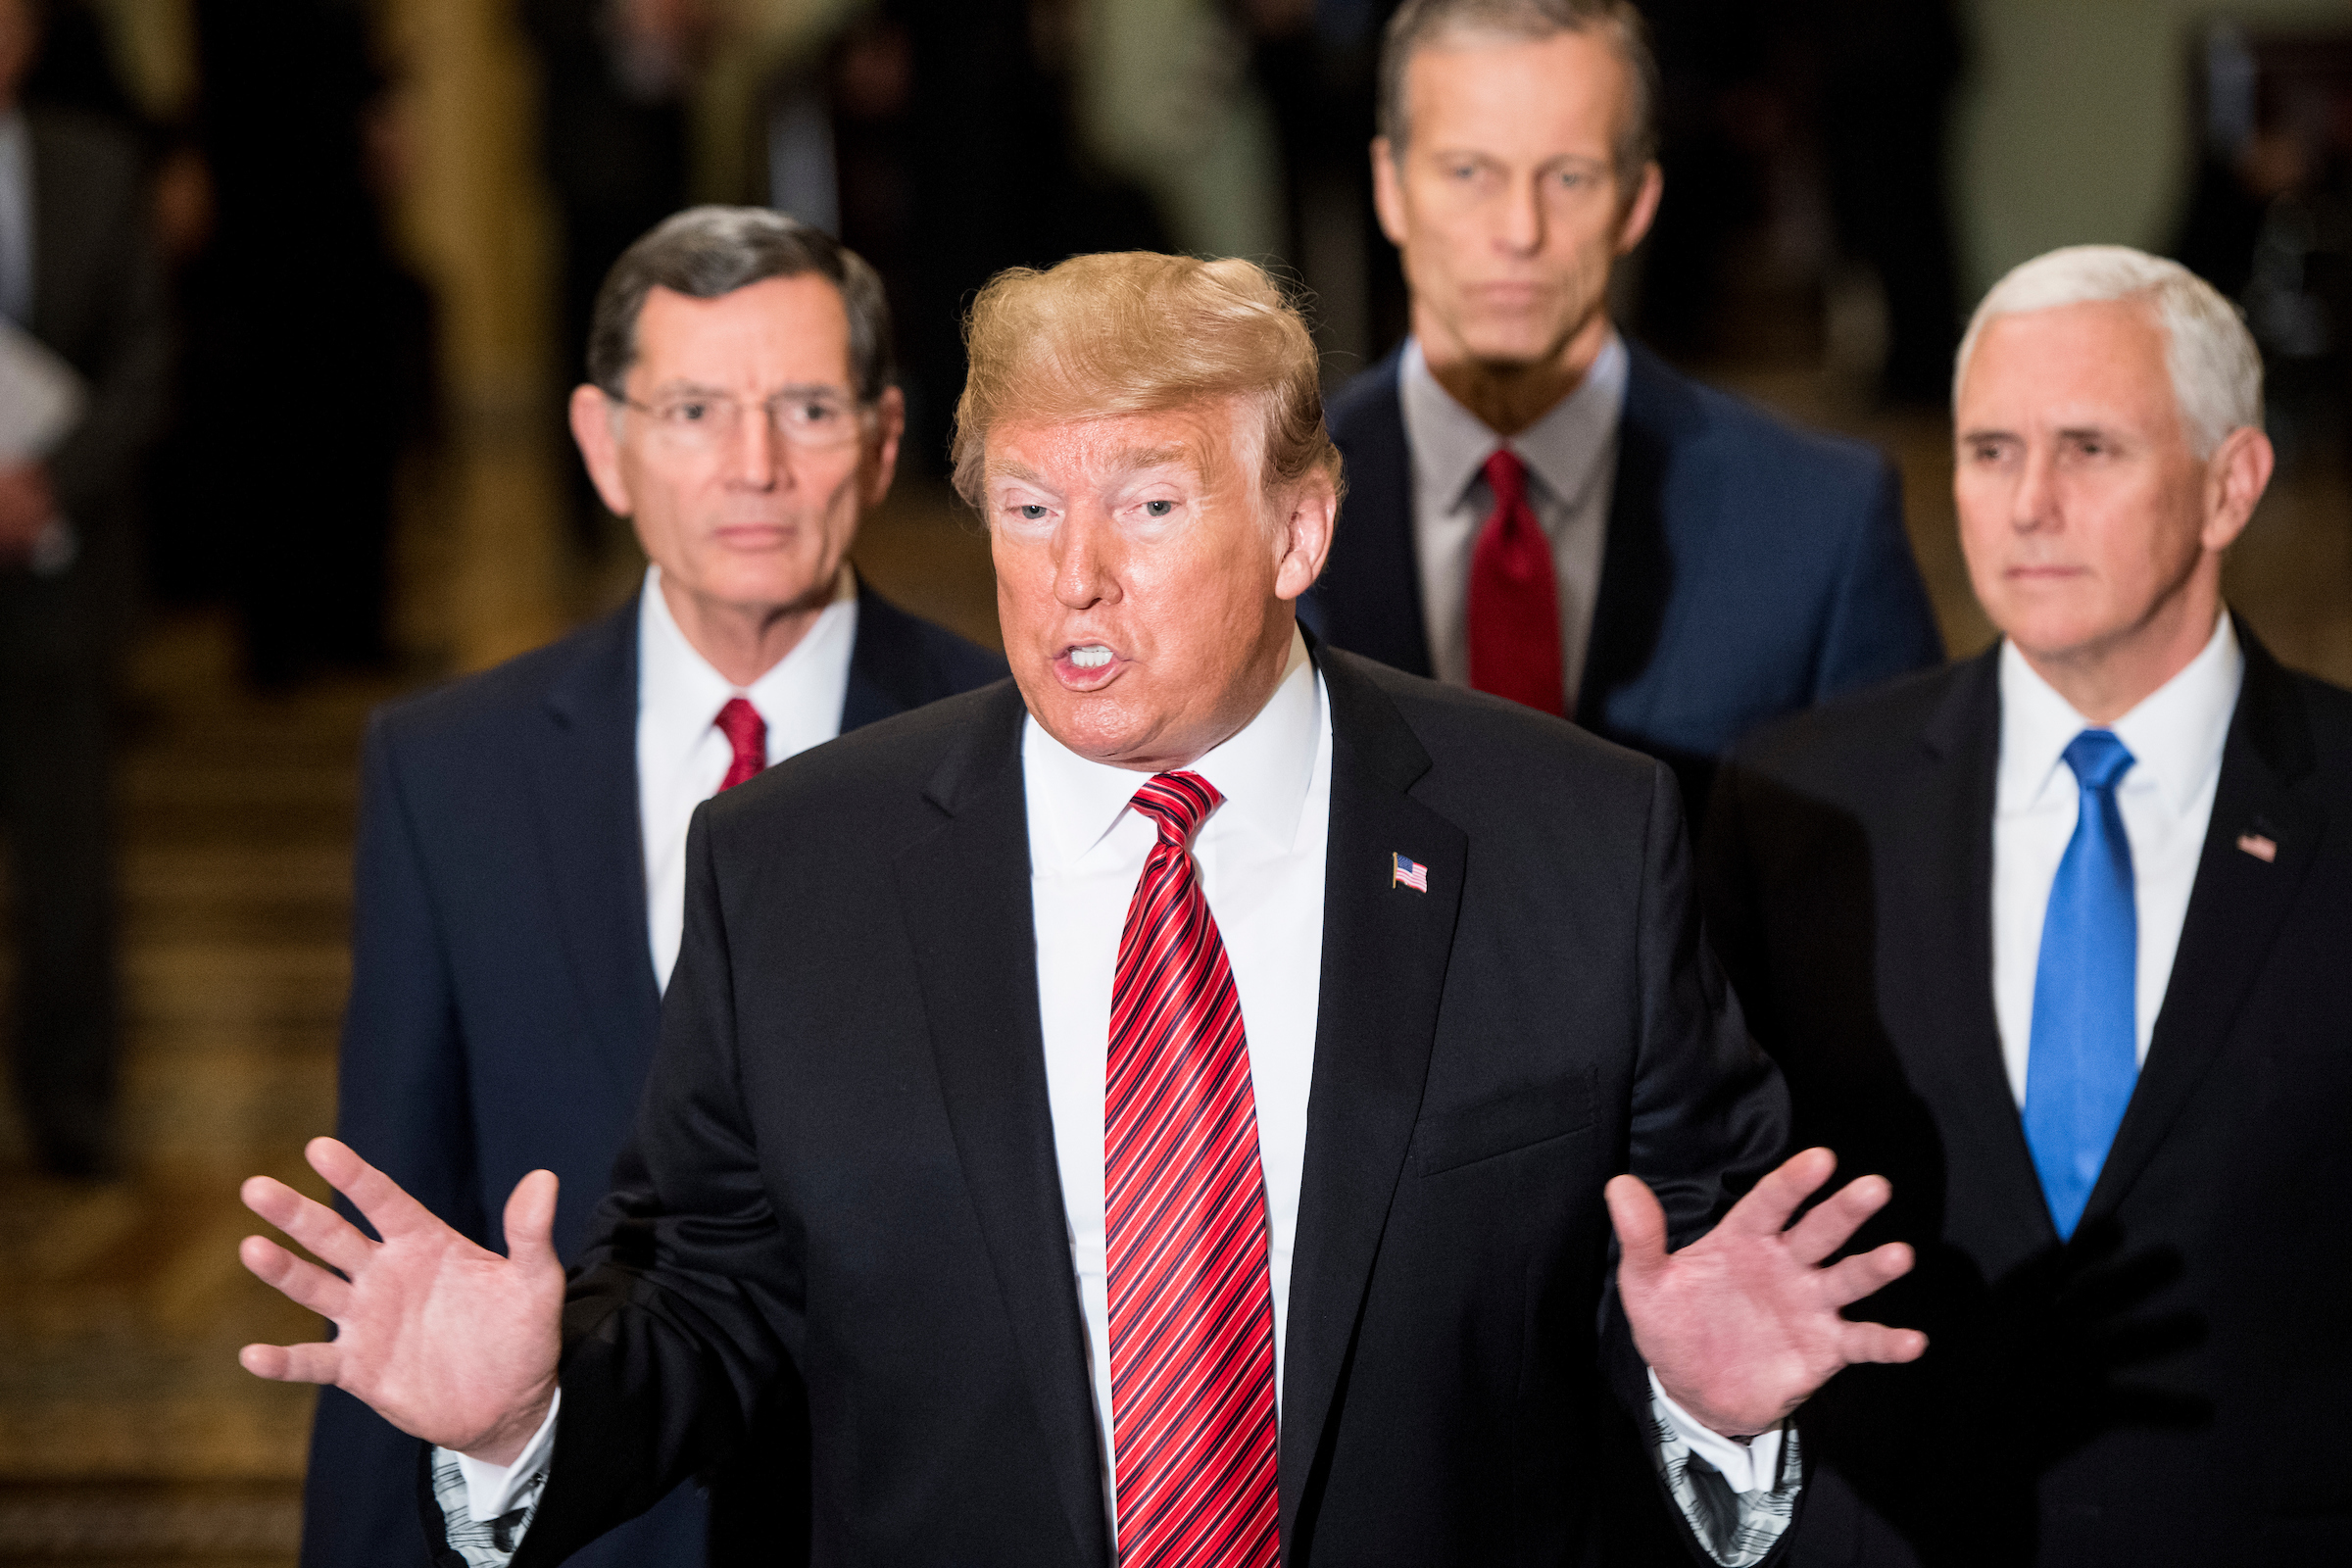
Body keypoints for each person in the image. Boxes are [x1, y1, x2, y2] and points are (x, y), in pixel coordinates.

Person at [240, 252, 1927, 1567]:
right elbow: (712, 1301)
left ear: (1299, 530)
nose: (1075, 577)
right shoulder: (792, 865)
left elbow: (1689, 1284)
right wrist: (526, 1416)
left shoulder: (1577, 838)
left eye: (1151, 506)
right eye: (1033, 510)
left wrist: (1712, 1417)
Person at [296, 206, 1004, 1568]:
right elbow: (398, 1244)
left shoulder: (1013, 740)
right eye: (691, 410)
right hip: (565, 1534)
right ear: (601, 446)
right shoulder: (448, 770)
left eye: (805, 406)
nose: (754, 467)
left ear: (886, 439)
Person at [1701, 246, 2352, 1565]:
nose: (2029, 505)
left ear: (2233, 484)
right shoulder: (1794, 806)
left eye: (2092, 450)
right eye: (1990, 450)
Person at [1302, 0, 1943, 817]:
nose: (1519, 229)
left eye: (1568, 177)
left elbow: (1903, 891)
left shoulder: (1823, 524)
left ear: (1637, 202)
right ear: (1390, 188)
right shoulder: (1256, 510)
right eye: (1469, 172)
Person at [0, 0, 169, 1178]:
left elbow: (147, 360)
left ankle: (74, 1097)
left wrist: (48, 484)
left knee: (68, 850)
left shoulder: (95, 168)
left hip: (57, 561)